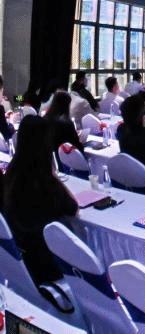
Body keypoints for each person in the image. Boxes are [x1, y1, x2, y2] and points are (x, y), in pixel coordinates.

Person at [2, 115, 79, 285]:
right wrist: (54, 176)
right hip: (51, 262)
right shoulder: (44, 182)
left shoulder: (11, 175)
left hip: (25, 259)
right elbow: (73, 208)